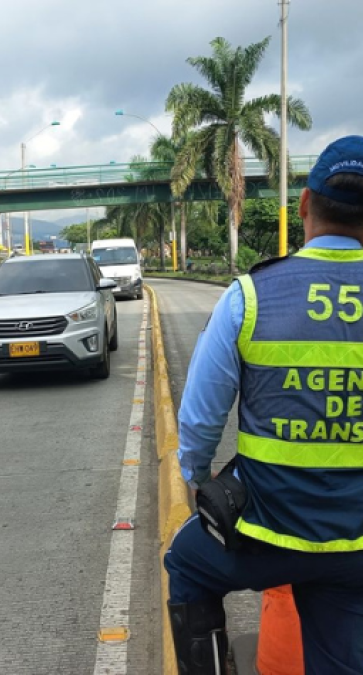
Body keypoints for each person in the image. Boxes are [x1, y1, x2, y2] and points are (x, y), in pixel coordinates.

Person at [163, 135, 363, 673]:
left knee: (185, 563)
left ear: (302, 206)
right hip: (357, 543)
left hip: (268, 531)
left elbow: (202, 417)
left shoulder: (250, 297)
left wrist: (196, 475)